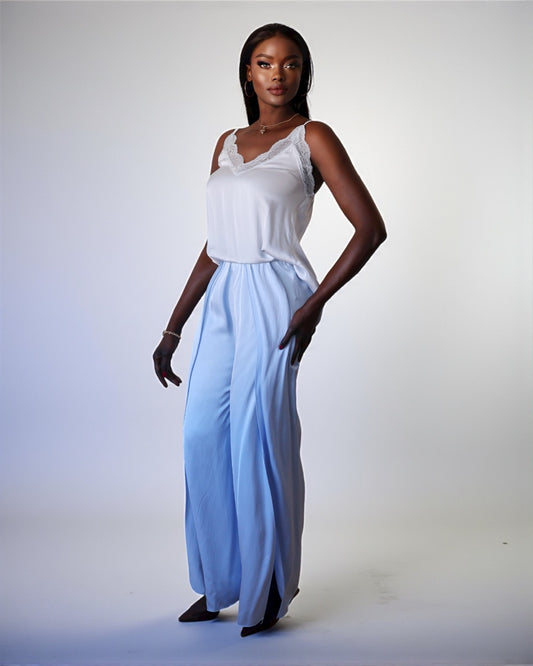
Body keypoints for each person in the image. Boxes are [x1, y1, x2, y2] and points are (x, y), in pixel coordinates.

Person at [153, 23, 386, 637]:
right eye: (264, 62)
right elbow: (215, 245)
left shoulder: (313, 137)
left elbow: (370, 228)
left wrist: (315, 304)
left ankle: (270, 587)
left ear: (304, 73)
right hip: (224, 296)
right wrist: (174, 328)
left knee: (258, 437)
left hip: (276, 295)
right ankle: (219, 582)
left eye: (290, 63)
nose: (277, 74)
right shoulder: (226, 143)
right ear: (247, 72)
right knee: (203, 432)